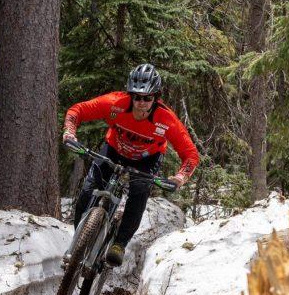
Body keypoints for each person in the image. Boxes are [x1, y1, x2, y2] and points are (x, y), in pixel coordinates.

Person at [62, 63, 199, 267]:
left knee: (139, 193)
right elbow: (77, 110)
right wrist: (69, 132)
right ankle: (79, 241)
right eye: (137, 97)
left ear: (156, 97)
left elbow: (191, 155)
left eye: (147, 98)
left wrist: (180, 178)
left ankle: (119, 244)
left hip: (147, 159)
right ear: (130, 95)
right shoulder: (115, 103)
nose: (141, 103)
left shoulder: (166, 120)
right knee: (88, 190)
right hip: (114, 149)